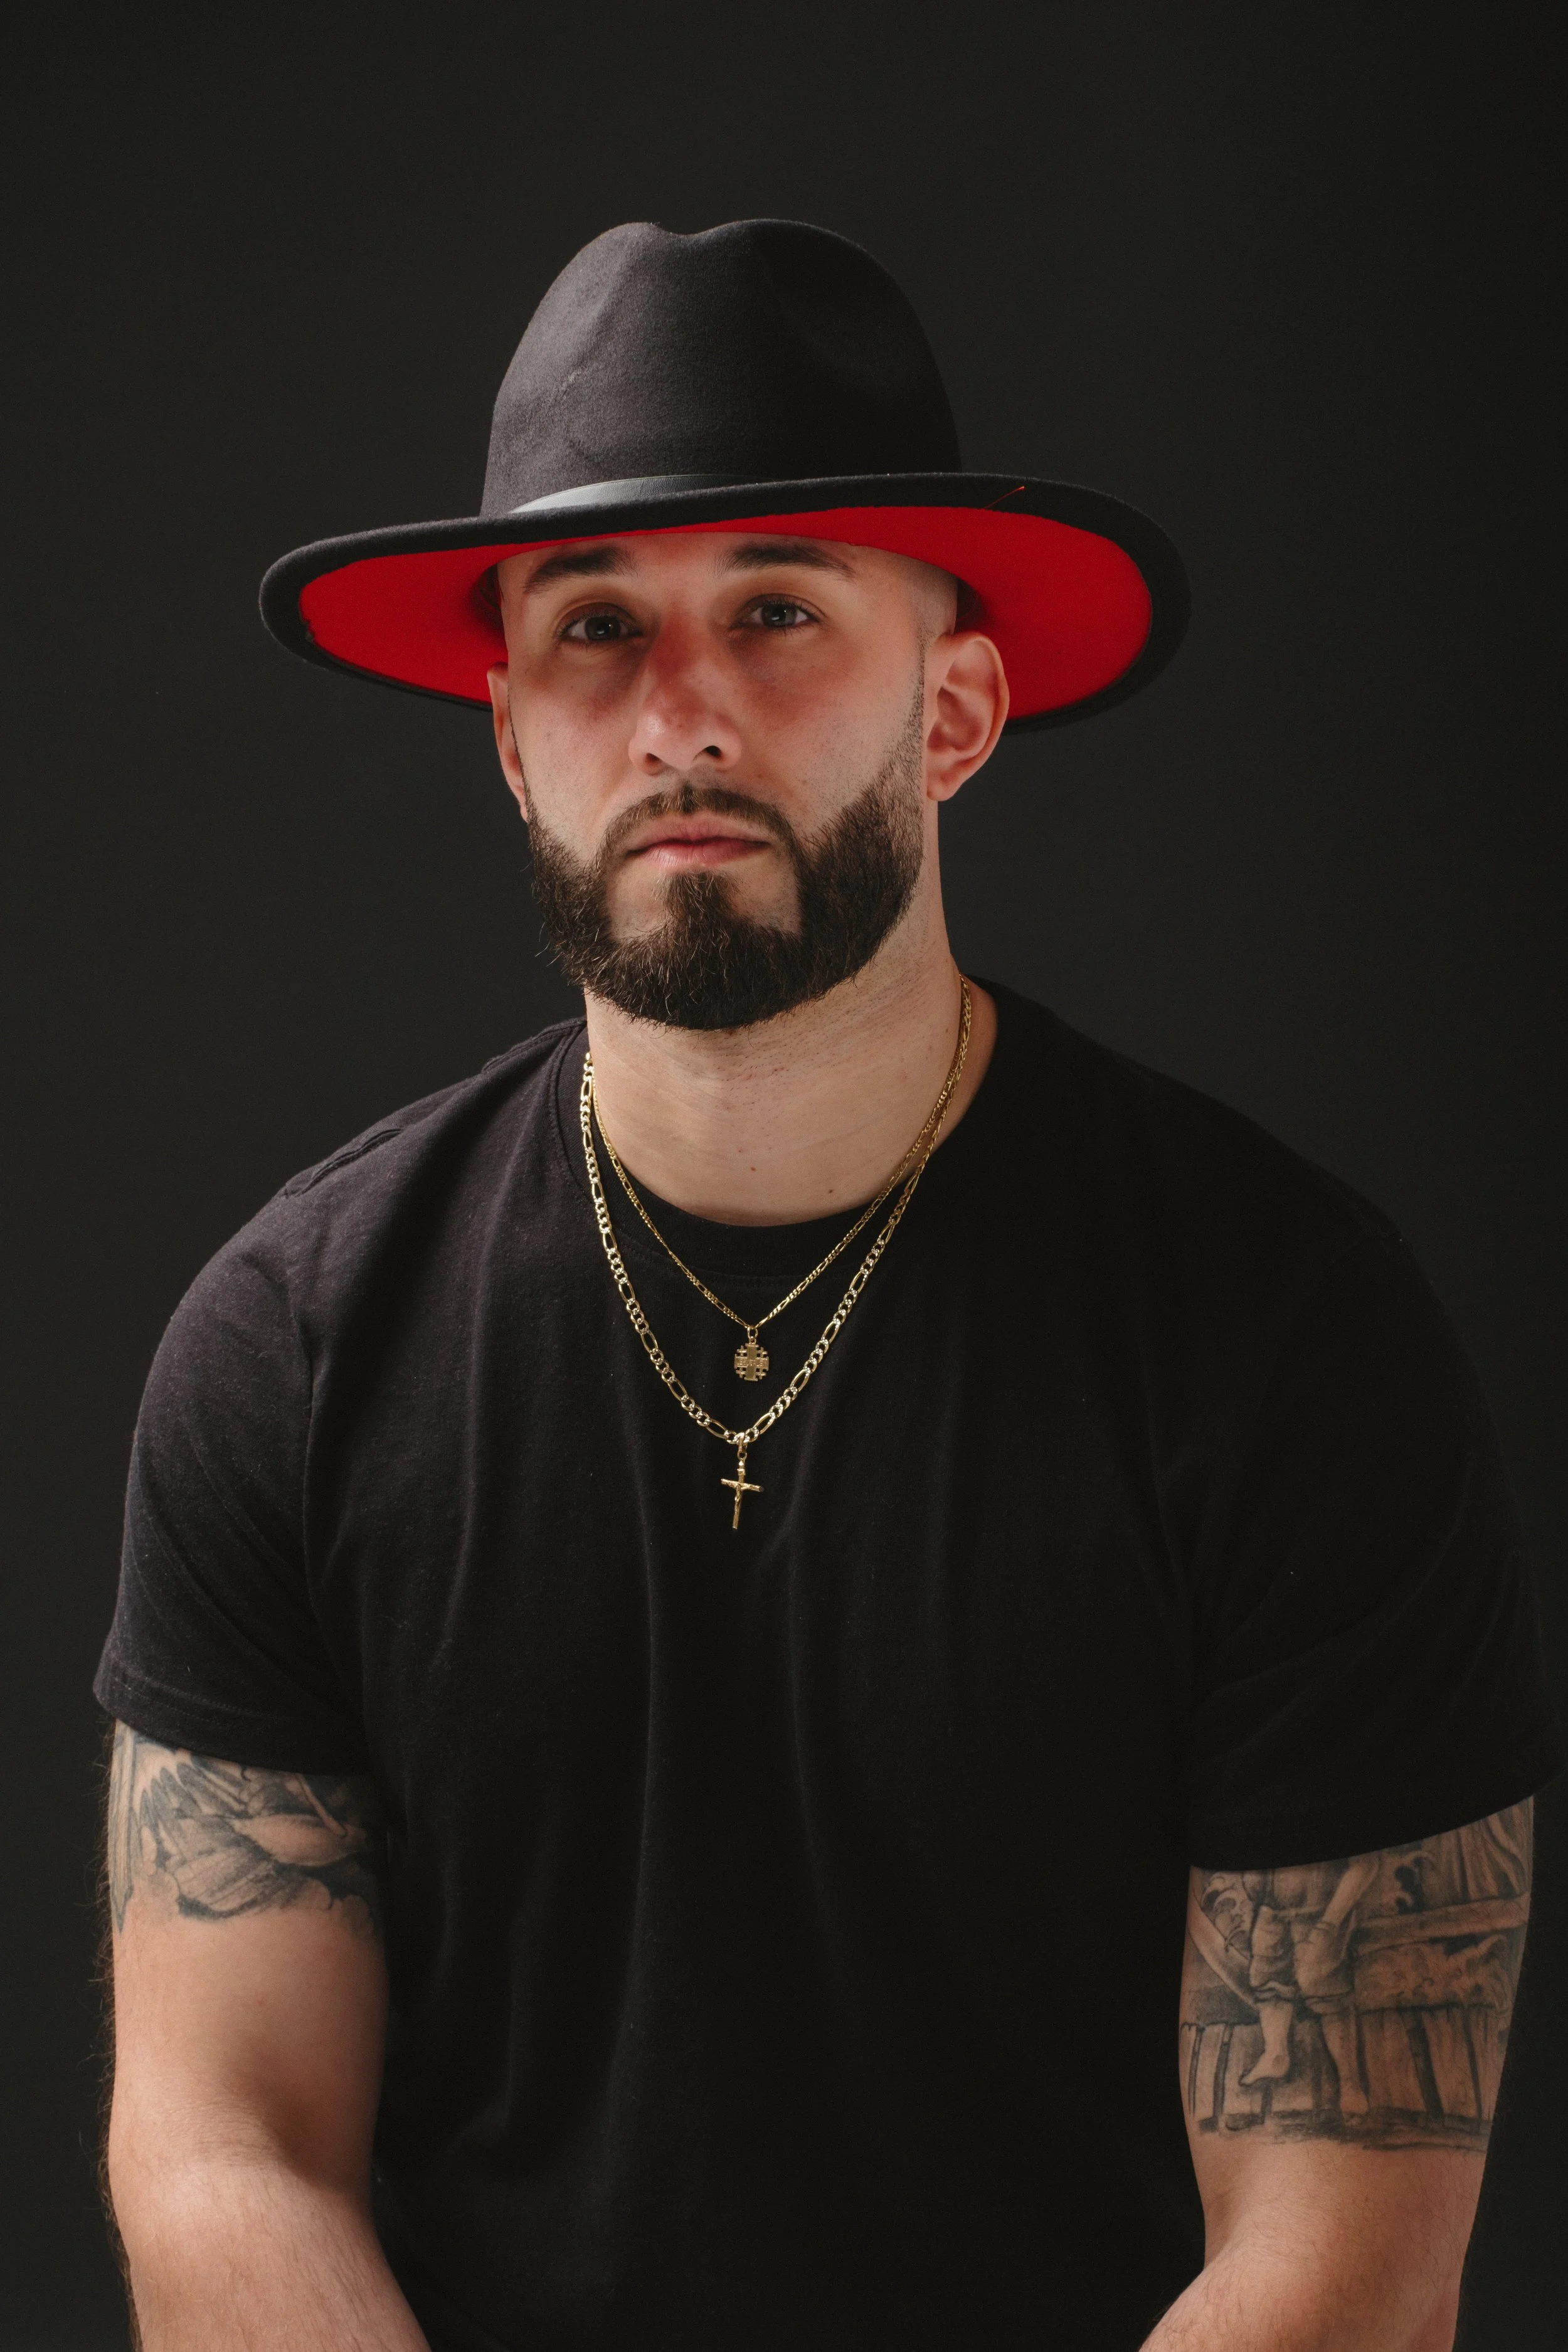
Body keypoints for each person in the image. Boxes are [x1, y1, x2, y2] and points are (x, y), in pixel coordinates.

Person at [96, 218, 1559, 2352]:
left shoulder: (1284, 1337)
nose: (676, 712)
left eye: (775, 610)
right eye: (593, 626)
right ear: (508, 737)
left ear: (952, 707)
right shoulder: (296, 1348)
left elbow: (1344, 2243)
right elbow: (223, 2140)